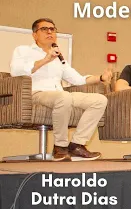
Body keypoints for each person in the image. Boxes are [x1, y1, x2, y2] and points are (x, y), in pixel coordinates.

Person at [10, 18, 110, 161]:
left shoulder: (58, 57)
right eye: (44, 29)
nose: (49, 32)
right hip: (35, 93)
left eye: (52, 29)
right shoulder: (23, 50)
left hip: (59, 95)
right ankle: (60, 146)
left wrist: (100, 77)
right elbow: (16, 72)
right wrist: (46, 59)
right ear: (34, 35)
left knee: (99, 100)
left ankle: (77, 145)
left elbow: (77, 79)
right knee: (64, 97)